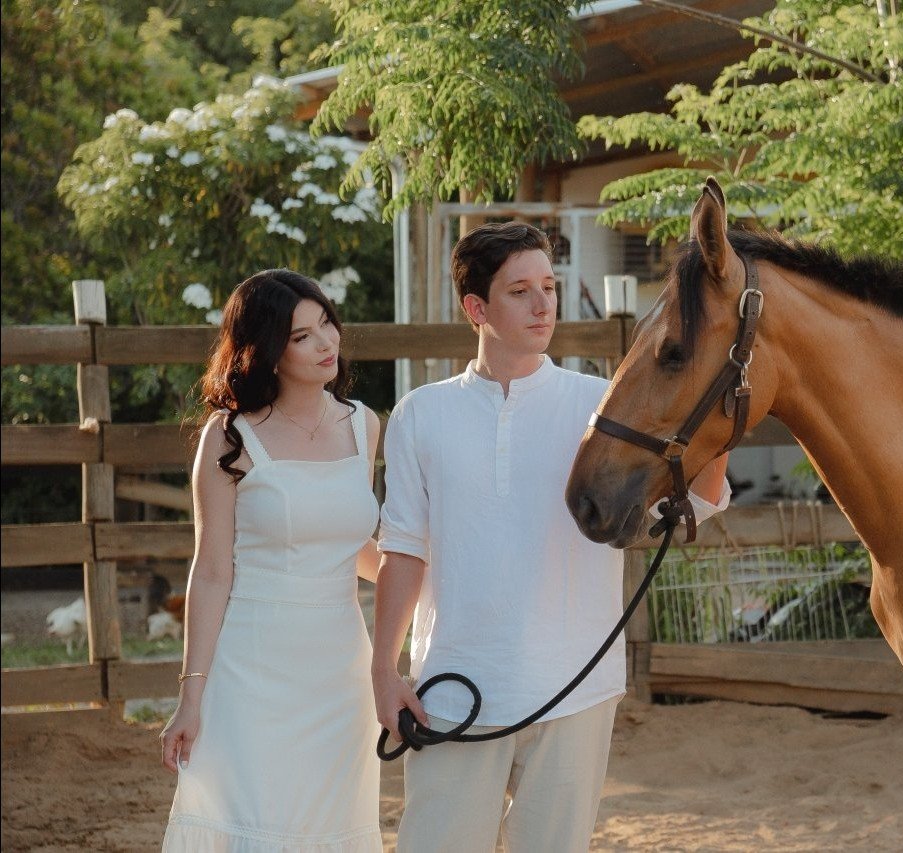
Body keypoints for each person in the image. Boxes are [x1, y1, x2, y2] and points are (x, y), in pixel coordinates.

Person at [374, 222, 730, 852]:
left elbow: (693, 504)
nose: (543, 304)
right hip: (453, 688)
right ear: (476, 309)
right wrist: (384, 669)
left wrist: (719, 414)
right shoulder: (420, 414)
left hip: (576, 689)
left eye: (549, 286)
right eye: (520, 291)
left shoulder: (604, 408)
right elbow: (403, 550)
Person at [159, 269, 384, 851]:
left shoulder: (364, 424)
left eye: (327, 324)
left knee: (329, 824)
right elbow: (212, 572)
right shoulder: (229, 436)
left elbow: (349, 543)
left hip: (340, 671)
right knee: (250, 824)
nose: (326, 342)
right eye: (302, 336)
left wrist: (423, 579)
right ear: (267, 351)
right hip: (252, 668)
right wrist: (190, 697)